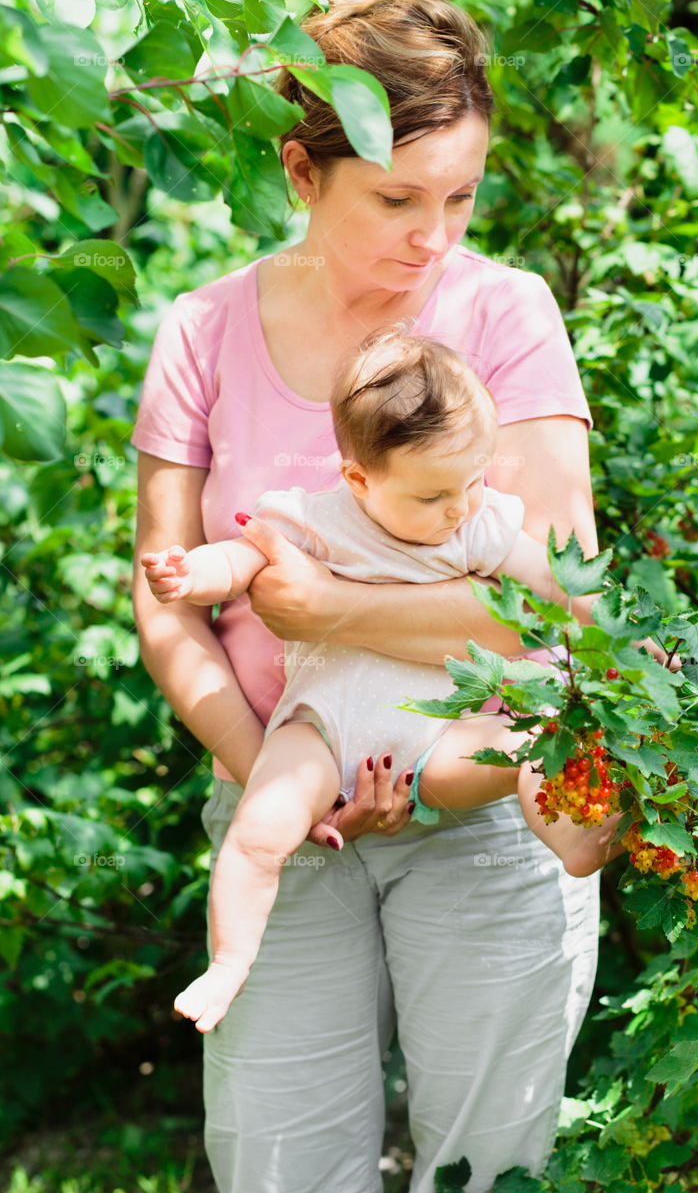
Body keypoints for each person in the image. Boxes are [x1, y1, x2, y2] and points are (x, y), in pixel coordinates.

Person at [131, 0, 678, 1193]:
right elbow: (167, 598)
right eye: (395, 197)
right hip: (281, 808)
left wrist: (325, 601)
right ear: (302, 172)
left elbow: (551, 605)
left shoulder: (504, 316)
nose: (432, 237)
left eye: (460, 198)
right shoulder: (202, 330)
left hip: (485, 808)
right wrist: (273, 772)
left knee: (485, 1188)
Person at [141, 330, 628, 1034]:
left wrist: (636, 643)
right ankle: (228, 964)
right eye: (433, 494)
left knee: (534, 741)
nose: (459, 506)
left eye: (473, 479)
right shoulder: (314, 522)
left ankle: (574, 840)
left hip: (436, 740)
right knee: (256, 833)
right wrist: (191, 574)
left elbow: (561, 587)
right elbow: (238, 562)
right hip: (321, 730)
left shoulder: (476, 523)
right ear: (359, 479)